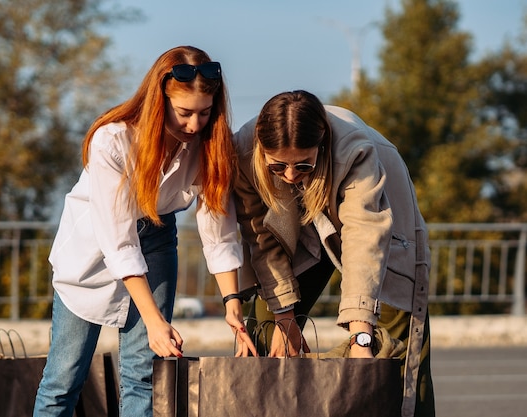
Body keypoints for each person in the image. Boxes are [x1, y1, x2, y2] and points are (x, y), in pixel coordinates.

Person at [34, 45, 257, 417]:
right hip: (93, 250)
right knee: (63, 380)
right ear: (160, 102)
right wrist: (154, 321)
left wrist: (231, 303)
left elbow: (218, 228)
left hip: (157, 239)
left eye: (205, 113)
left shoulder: (209, 145)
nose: (194, 125)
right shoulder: (113, 141)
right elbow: (118, 241)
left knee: (143, 376)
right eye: (184, 112)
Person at [232, 90, 435, 417]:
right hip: (296, 234)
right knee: (268, 338)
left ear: (322, 143)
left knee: (395, 366)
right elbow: (261, 238)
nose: (290, 175)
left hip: (383, 231)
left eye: (303, 165)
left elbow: (363, 238)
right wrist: (285, 320)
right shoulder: (242, 152)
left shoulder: (354, 147)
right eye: (278, 166)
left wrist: (361, 336)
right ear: (259, 146)